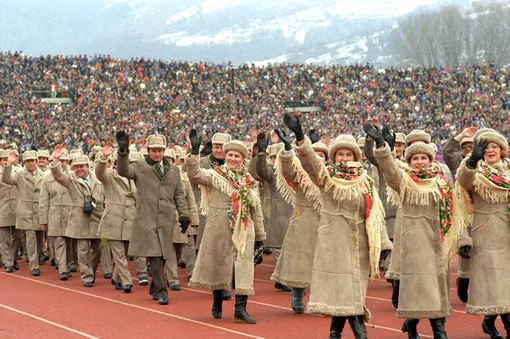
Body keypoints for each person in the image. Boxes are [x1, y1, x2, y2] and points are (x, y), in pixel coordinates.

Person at [284, 114, 391, 339]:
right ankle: (360, 334)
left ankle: (335, 334)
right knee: (347, 294)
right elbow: (311, 165)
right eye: (340, 154)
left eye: (348, 154)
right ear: (334, 157)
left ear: (356, 156)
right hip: (335, 244)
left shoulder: (366, 180)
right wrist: (301, 139)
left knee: (350, 293)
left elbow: (376, 213)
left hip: (361, 246)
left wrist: (383, 241)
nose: (344, 158)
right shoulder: (326, 176)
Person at [366, 123, 456, 339]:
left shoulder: (441, 180)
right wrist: (382, 146)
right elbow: (389, 170)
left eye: (423, 158)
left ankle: (433, 326)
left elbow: (453, 208)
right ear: (409, 161)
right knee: (417, 285)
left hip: (437, 239)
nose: (419, 161)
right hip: (414, 240)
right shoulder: (404, 180)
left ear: (431, 159)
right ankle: (420, 326)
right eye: (414, 158)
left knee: (434, 285)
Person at [186, 129, 266, 324]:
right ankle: (217, 299)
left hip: (244, 228)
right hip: (219, 227)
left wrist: (260, 237)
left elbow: (256, 208)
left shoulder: (249, 181)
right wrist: (194, 151)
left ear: (242, 159)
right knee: (219, 265)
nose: (232, 158)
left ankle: (241, 308)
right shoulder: (215, 175)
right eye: (230, 155)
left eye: (236, 156)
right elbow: (194, 174)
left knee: (244, 267)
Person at [115, 132, 190, 305]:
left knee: (164, 255)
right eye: (154, 150)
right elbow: (123, 170)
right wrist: (123, 151)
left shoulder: (174, 170)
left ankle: (154, 286)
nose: (157, 153)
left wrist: (184, 214)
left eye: (160, 150)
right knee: (155, 255)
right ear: (148, 150)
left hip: (166, 219)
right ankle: (162, 291)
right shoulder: (140, 167)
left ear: (164, 151)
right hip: (146, 217)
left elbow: (179, 194)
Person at [456, 128, 510, 339]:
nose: (491, 150)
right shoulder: (474, 170)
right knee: (491, 280)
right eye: (486, 147)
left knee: (506, 281)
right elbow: (464, 181)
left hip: (506, 233)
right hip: (485, 233)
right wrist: (471, 162)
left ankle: (489, 321)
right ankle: (502, 322)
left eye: (495, 146)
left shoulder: (508, 171)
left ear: (502, 150)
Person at [271, 129, 325, 314]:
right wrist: (287, 151)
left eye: (321, 156)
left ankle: (322, 298)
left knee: (324, 263)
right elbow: (287, 172)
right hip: (303, 220)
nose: (317, 158)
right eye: (315, 154)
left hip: (326, 222)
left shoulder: (330, 175)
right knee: (299, 262)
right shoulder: (299, 173)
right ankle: (297, 292)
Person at [50, 149, 105, 287]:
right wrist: (56, 161)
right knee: (83, 250)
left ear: (88, 166)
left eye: (82, 166)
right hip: (79, 219)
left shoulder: (98, 178)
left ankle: (90, 270)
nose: (79, 169)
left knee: (97, 249)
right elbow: (58, 176)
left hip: (96, 218)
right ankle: (86, 276)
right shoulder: (70, 178)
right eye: (76, 167)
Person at [95, 143, 138, 293]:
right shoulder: (109, 175)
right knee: (119, 254)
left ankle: (116, 277)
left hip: (130, 218)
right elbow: (99, 174)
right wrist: (103, 157)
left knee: (125, 253)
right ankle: (127, 281)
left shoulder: (133, 177)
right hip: (114, 218)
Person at [442, 126, 476, 304]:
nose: (468, 149)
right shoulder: (457, 161)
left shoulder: (484, 162)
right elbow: (447, 151)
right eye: (465, 146)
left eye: (472, 146)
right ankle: (463, 280)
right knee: (466, 247)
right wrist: (460, 136)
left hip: (481, 209)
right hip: (462, 209)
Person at [2, 150, 45, 277]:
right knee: (30, 238)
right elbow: (6, 179)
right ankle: (34, 266)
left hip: (39, 211)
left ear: (36, 161)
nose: (30, 163)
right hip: (25, 211)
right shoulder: (20, 174)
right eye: (27, 161)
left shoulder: (43, 175)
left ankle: (36, 259)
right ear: (24, 162)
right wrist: (8, 165)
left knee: (39, 240)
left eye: (32, 161)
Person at [39, 149, 72, 280]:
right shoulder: (47, 177)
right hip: (55, 214)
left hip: (70, 214)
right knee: (59, 243)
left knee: (70, 244)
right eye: (60, 160)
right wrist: (43, 220)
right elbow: (43, 200)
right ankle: (62, 269)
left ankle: (68, 265)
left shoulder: (73, 175)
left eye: (64, 161)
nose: (62, 163)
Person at [0, 149, 22, 273]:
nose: (5, 162)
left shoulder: (18, 171)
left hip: (16, 208)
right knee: (4, 239)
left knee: (18, 237)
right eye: (3, 160)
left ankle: (13, 259)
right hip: (2, 208)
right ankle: (7, 262)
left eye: (6, 159)